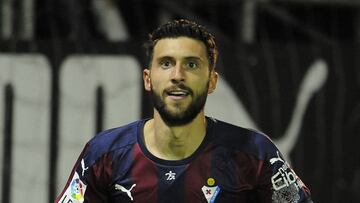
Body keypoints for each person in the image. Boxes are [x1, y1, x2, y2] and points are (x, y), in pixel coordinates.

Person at [55, 19, 313, 203]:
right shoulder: (104, 155)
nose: (177, 75)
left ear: (212, 81)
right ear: (147, 79)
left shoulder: (255, 154)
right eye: (166, 63)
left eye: (191, 64)